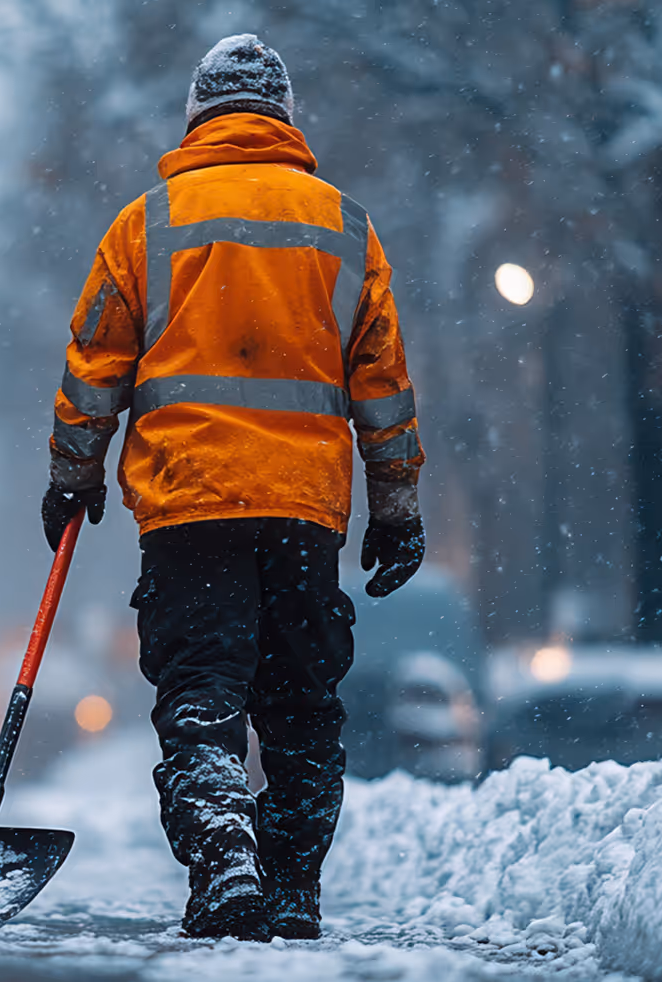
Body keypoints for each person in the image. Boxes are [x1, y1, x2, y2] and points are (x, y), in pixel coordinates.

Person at [39, 34, 426, 941]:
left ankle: (223, 864)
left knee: (202, 694)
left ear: (197, 117)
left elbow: (93, 366)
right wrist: (397, 506)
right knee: (300, 706)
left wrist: (71, 475)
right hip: (304, 512)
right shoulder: (345, 227)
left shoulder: (147, 225)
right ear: (284, 118)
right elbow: (384, 386)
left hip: (190, 506)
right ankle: (291, 888)